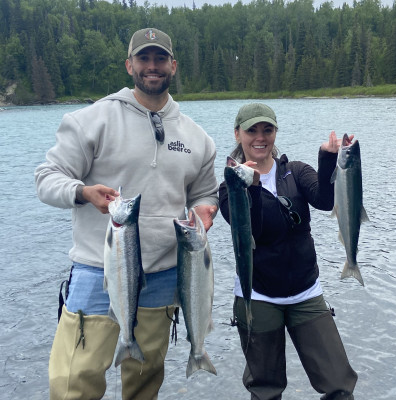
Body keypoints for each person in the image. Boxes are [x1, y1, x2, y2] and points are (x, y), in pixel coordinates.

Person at [35, 27, 219, 400]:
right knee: (73, 381)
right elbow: (46, 179)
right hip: (97, 271)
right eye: (144, 58)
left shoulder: (198, 138)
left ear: (173, 65)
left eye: (160, 59)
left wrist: (204, 209)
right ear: (129, 65)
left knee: (144, 382)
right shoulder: (91, 120)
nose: (152, 66)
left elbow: (203, 192)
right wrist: (83, 192)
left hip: (167, 275)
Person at [219, 103, 358, 400]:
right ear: (237, 134)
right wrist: (252, 188)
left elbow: (324, 199)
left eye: (267, 130)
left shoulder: (295, 171)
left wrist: (329, 158)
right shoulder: (230, 186)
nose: (260, 137)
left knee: (339, 384)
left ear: (275, 133)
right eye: (252, 130)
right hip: (258, 297)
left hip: (306, 293)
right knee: (266, 390)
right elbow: (250, 231)